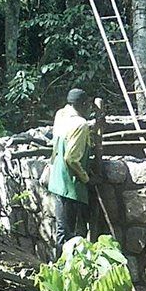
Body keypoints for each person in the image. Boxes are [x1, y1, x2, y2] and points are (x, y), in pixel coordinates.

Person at [47, 88, 93, 253]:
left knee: (62, 230)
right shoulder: (80, 124)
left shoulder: (61, 115)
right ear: (82, 104)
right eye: (87, 105)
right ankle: (64, 271)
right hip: (70, 185)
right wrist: (86, 178)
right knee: (69, 235)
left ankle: (59, 270)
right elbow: (71, 158)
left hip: (57, 181)